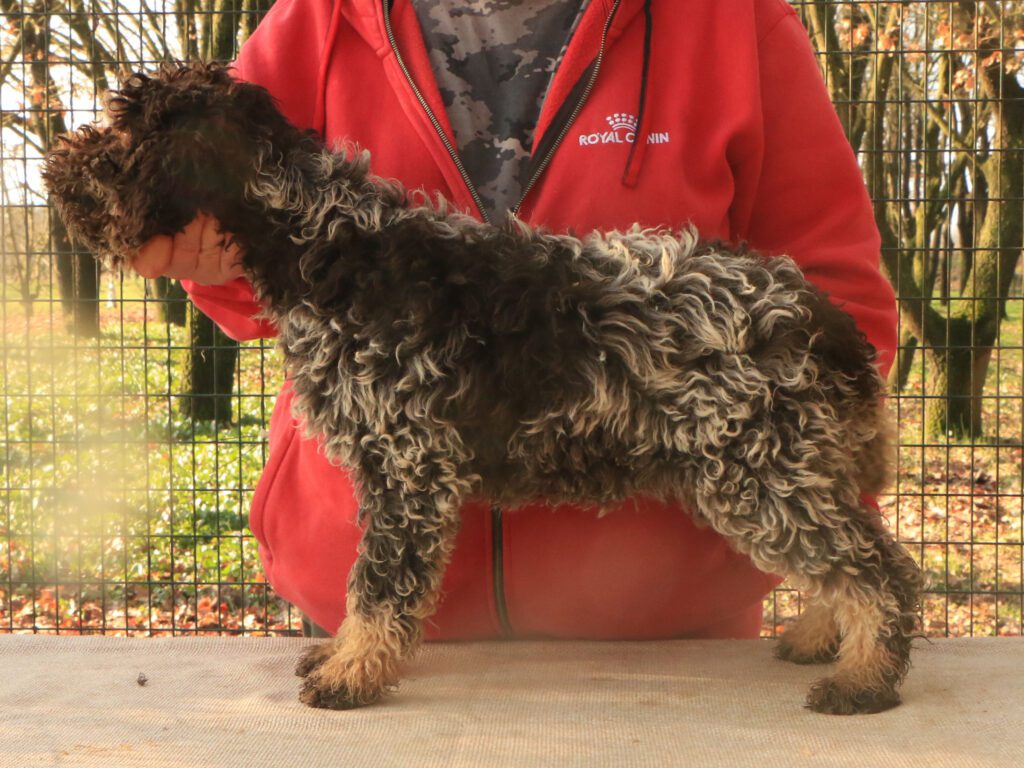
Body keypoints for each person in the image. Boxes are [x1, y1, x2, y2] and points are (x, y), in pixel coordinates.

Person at [133, 0, 898, 641]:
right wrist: (217, 264)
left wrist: (832, 514)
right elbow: (248, 279)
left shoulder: (733, 23)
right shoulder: (316, 22)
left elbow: (835, 297)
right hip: (370, 630)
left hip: (660, 639)